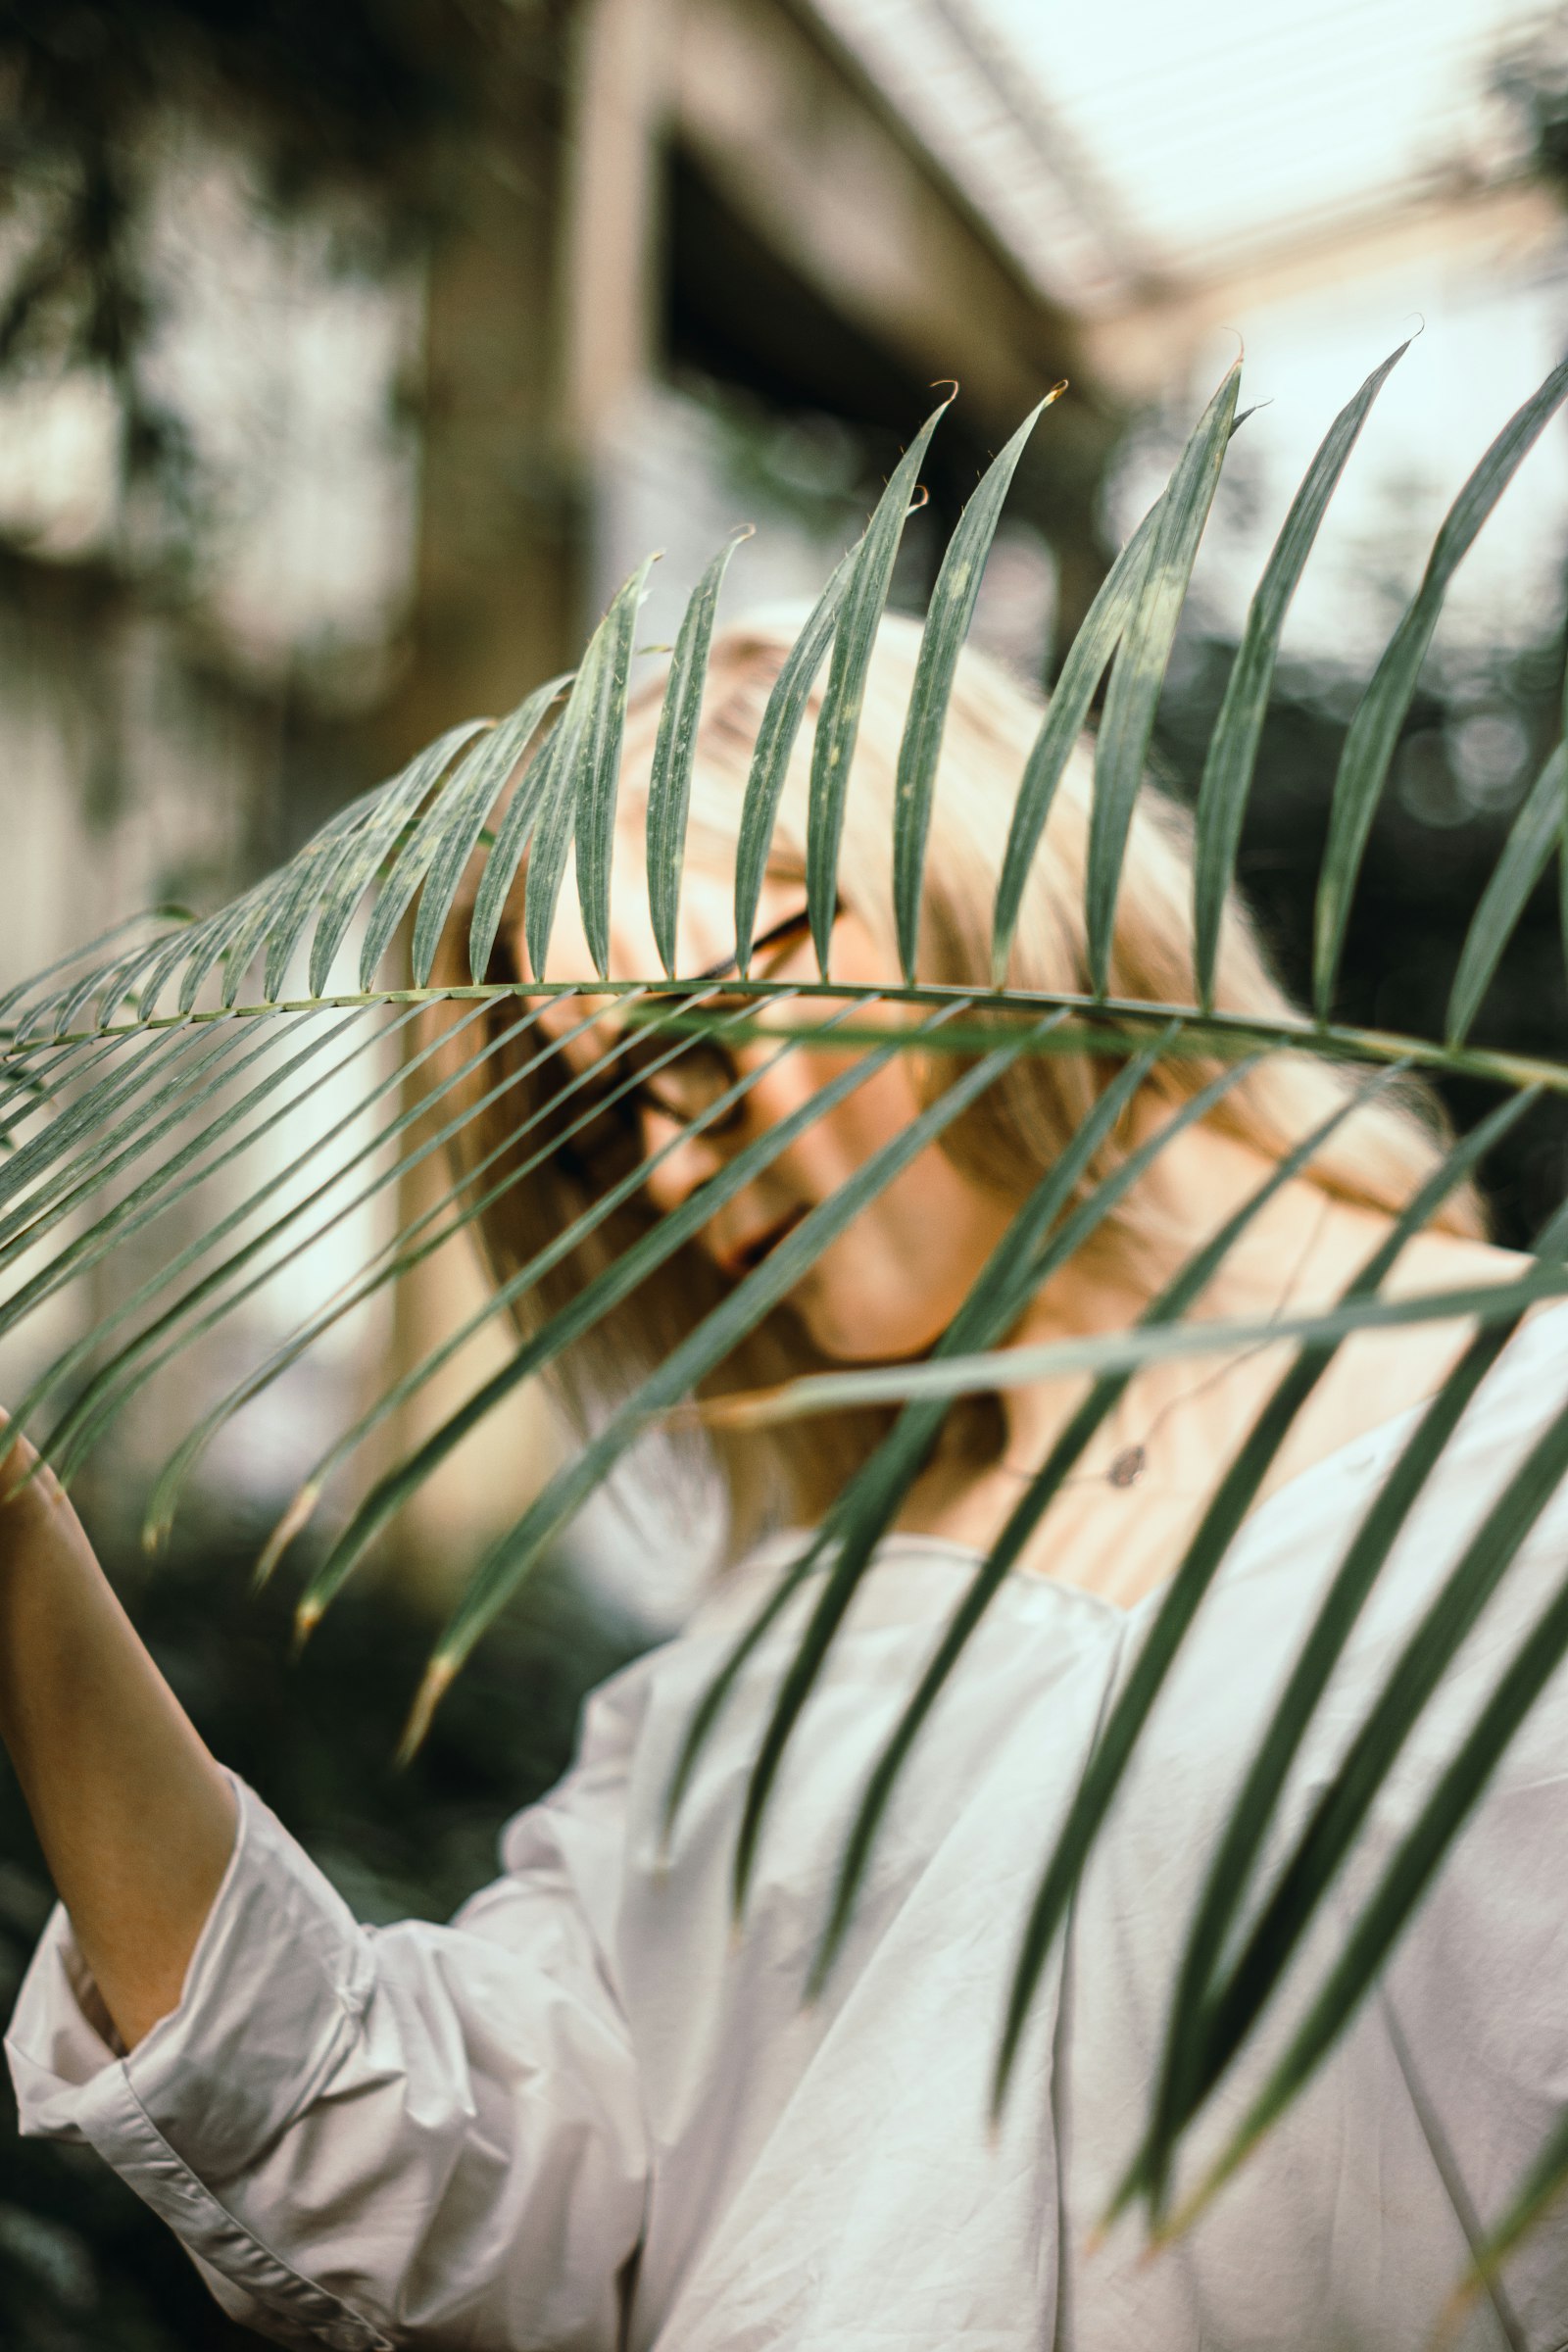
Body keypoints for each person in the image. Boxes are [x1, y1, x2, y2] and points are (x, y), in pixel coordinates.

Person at [3, 613, 1566, 2350]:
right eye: (606, 1121)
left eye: (704, 1033)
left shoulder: (1523, 1463)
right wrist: (16, 1538)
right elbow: (427, 2171)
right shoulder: (771, 1670)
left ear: (965, 891)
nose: (673, 1175)